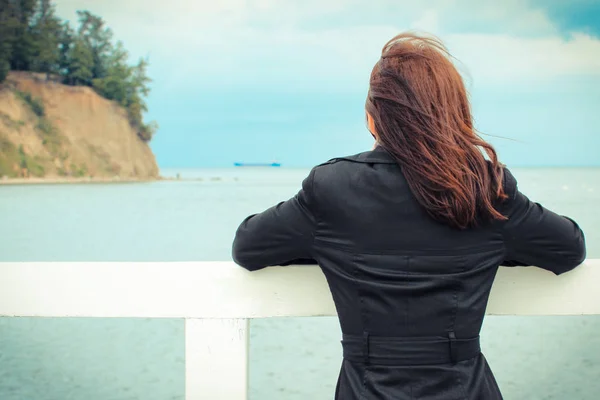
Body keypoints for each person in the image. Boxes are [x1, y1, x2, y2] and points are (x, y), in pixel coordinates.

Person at [231, 33, 586, 400]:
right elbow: (568, 249)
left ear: (373, 120)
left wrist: (326, 248)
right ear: (453, 114)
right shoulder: (487, 185)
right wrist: (494, 249)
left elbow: (248, 248)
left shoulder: (332, 187)